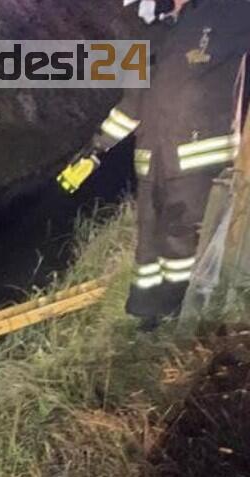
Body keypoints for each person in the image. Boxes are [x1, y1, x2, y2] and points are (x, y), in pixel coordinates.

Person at [58, 0, 249, 327]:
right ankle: (148, 311)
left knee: (183, 242)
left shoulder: (230, 12)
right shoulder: (152, 33)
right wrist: (96, 148)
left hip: (199, 156)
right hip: (151, 160)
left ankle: (181, 312)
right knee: (149, 242)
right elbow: (132, 101)